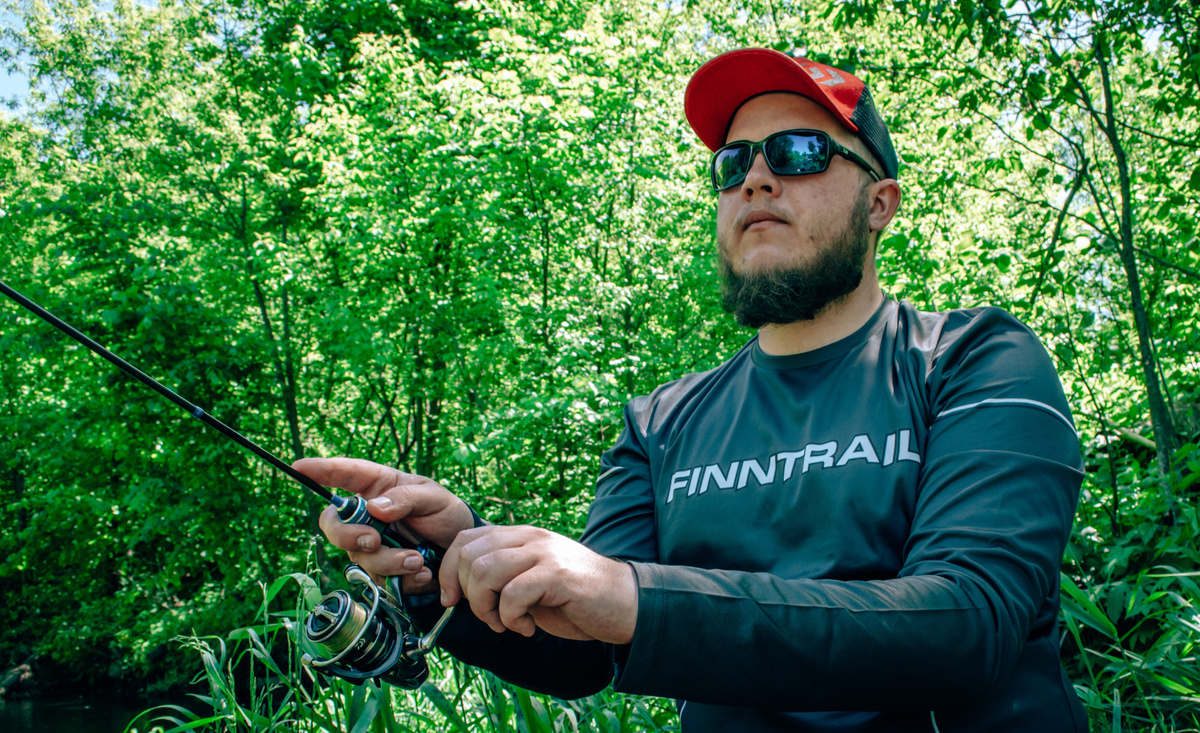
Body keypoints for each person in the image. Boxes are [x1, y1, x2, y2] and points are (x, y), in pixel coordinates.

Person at [296, 48, 1088, 732]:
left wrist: (634, 595)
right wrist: (451, 559)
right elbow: (587, 650)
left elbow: (967, 623)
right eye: (732, 164)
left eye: (800, 152)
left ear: (879, 202)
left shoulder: (975, 359)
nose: (758, 179)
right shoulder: (661, 422)